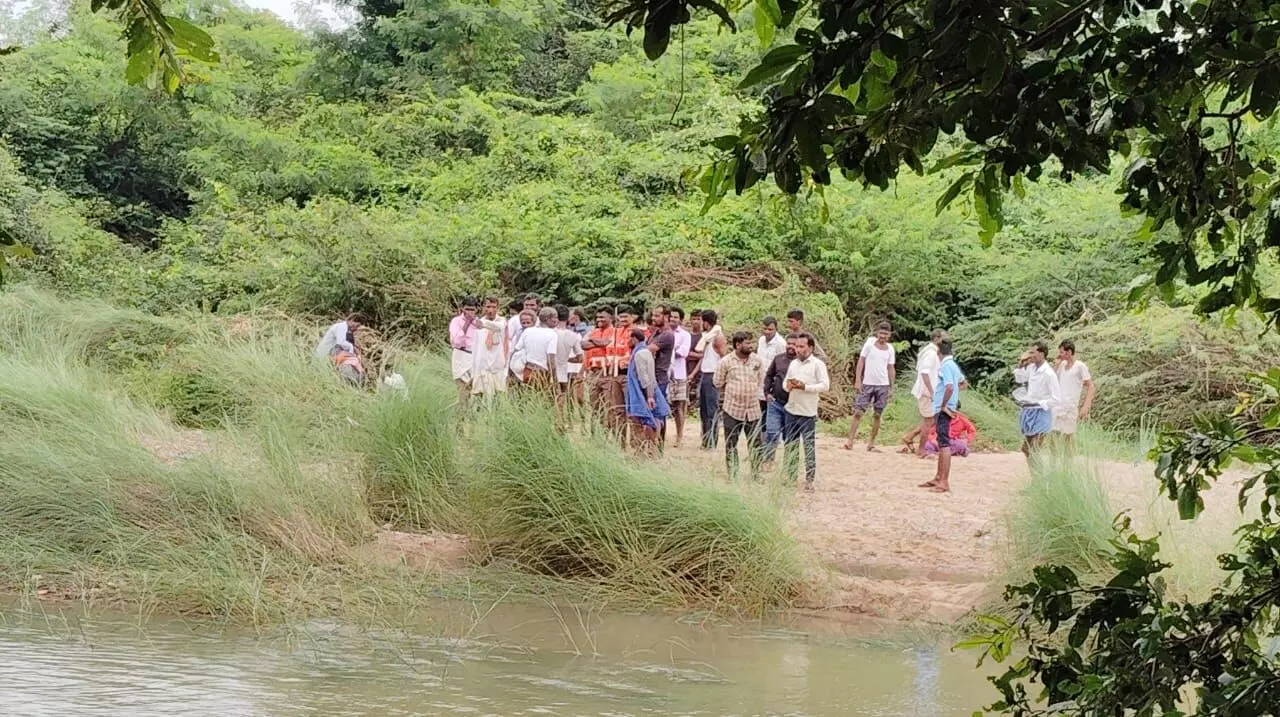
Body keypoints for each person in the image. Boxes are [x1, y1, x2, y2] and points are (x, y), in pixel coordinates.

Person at [715, 331, 766, 480]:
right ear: (738, 345)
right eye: (747, 343)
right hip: (732, 408)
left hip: (753, 409)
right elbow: (718, 382)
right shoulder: (726, 362)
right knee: (731, 443)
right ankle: (733, 474)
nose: (751, 346)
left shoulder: (757, 361)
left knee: (756, 443)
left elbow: (761, 380)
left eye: (751, 342)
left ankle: (756, 474)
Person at [782, 333, 829, 490]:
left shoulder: (817, 364)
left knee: (808, 446)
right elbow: (785, 381)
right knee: (790, 445)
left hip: (807, 412)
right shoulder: (794, 364)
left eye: (801, 346)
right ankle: (790, 476)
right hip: (792, 409)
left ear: (810, 348)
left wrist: (805, 387)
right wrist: (788, 385)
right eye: (796, 346)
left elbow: (825, 385)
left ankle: (810, 479)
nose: (797, 349)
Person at [920, 340, 965, 493]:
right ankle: (939, 477)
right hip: (948, 407)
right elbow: (962, 383)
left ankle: (944, 481)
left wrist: (944, 404)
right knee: (941, 442)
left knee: (944, 444)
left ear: (939, 353)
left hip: (943, 409)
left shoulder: (945, 366)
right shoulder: (953, 366)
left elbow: (950, 386)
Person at [845, 320, 896, 452]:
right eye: (881, 333)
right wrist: (858, 379)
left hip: (883, 385)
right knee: (858, 412)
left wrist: (891, 387)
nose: (882, 336)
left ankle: (871, 443)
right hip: (868, 383)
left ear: (889, 335)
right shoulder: (869, 343)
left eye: (885, 334)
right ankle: (850, 441)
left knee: (877, 414)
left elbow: (891, 368)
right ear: (876, 333)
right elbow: (861, 361)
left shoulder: (890, 349)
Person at [902, 329, 947, 457]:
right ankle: (921, 450)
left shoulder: (931, 352)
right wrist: (932, 392)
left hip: (928, 391)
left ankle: (910, 436)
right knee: (929, 421)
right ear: (937, 339)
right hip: (927, 392)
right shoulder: (931, 354)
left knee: (931, 419)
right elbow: (925, 372)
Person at [1013, 340, 1061, 460]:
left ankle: (1038, 477)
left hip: (1041, 414)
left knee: (1034, 449)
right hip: (1029, 411)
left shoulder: (1049, 373)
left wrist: (1040, 403)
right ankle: (1036, 476)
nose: (1030, 355)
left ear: (1042, 354)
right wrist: (1021, 363)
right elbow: (1019, 378)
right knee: (1026, 449)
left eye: (1033, 352)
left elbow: (1056, 398)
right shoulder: (1031, 368)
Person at [625, 329, 670, 454]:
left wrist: (649, 395)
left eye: (629, 338)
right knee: (651, 418)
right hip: (645, 389)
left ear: (634, 339)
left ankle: (649, 448)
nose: (628, 342)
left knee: (648, 420)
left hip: (643, 391)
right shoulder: (642, 351)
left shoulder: (640, 354)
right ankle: (650, 449)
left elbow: (645, 376)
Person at [583, 308, 624, 429]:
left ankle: (611, 433)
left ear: (611, 318)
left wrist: (594, 342)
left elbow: (607, 342)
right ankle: (596, 433)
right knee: (594, 405)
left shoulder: (616, 332)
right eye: (598, 317)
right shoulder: (593, 331)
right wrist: (599, 342)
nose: (599, 320)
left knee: (610, 405)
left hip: (608, 373)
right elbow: (583, 345)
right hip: (593, 373)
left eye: (602, 317)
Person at [690, 309, 725, 449]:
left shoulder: (717, 337)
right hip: (705, 373)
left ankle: (712, 441)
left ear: (705, 322)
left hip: (713, 374)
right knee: (703, 410)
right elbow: (704, 357)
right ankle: (705, 440)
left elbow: (724, 357)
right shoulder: (708, 337)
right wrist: (693, 374)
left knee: (711, 410)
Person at [1053, 339, 1096, 450]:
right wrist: (1056, 366)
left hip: (1070, 407)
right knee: (1053, 436)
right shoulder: (1061, 365)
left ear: (1069, 352)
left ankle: (1068, 464)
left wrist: (1085, 407)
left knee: (1068, 437)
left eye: (1062, 352)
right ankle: (1053, 464)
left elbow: (1091, 386)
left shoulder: (1080, 367)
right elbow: (1053, 382)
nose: (1059, 355)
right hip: (1058, 406)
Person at [761, 334, 797, 464]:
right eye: (789, 343)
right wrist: (767, 392)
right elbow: (769, 376)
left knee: (790, 437)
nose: (791, 346)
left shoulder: (801, 362)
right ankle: (768, 461)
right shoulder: (778, 359)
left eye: (794, 344)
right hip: (775, 403)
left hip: (793, 406)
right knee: (771, 433)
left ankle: (789, 465)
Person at [471, 296, 509, 400]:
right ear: (483, 307)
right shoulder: (479, 325)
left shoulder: (502, 321)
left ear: (498, 308)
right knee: (479, 396)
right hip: (482, 366)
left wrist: (483, 324)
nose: (490, 310)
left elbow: (498, 327)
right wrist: (473, 370)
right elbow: (475, 349)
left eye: (493, 307)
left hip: (497, 367)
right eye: (488, 307)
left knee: (498, 396)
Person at [515, 307, 558, 395]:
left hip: (527, 370)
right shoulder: (552, 334)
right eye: (555, 317)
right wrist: (554, 379)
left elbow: (516, 351)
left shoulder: (528, 331)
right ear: (548, 319)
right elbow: (551, 359)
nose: (556, 320)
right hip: (541, 374)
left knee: (526, 399)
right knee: (542, 401)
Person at [756, 316, 787, 433]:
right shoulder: (761, 340)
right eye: (765, 329)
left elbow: (782, 365)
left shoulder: (781, 344)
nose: (767, 332)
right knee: (761, 410)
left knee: (772, 410)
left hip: (773, 382)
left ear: (776, 329)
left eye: (770, 329)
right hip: (760, 381)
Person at [449, 297, 481, 407]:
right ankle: (462, 416)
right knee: (463, 389)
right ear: (462, 309)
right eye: (467, 309)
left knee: (477, 388)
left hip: (476, 357)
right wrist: (467, 324)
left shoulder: (479, 323)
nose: (469, 312)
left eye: (472, 310)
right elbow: (456, 341)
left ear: (476, 309)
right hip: (461, 355)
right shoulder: (456, 321)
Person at [668, 305, 692, 447]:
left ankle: (679, 436)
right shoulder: (662, 333)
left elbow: (682, 353)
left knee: (679, 407)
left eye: (676, 317)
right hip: (664, 373)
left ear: (681, 320)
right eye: (671, 317)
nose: (673, 319)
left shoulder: (685, 335)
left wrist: (667, 349)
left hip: (678, 374)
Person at [553, 305, 584, 406]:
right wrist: (566, 359)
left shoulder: (549, 333)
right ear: (567, 318)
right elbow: (580, 358)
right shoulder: (573, 336)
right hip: (563, 374)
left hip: (548, 373)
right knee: (562, 401)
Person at [686, 308, 704, 424]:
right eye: (694, 319)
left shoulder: (704, 336)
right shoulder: (687, 335)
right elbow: (684, 354)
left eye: (698, 319)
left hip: (700, 369)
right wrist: (698, 355)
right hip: (686, 368)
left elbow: (704, 356)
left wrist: (697, 356)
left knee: (699, 394)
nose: (696, 321)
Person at [508, 310, 536, 384]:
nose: (525, 325)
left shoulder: (537, 333)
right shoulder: (518, 333)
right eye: (523, 323)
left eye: (528, 322)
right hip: (517, 365)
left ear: (534, 322)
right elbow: (514, 350)